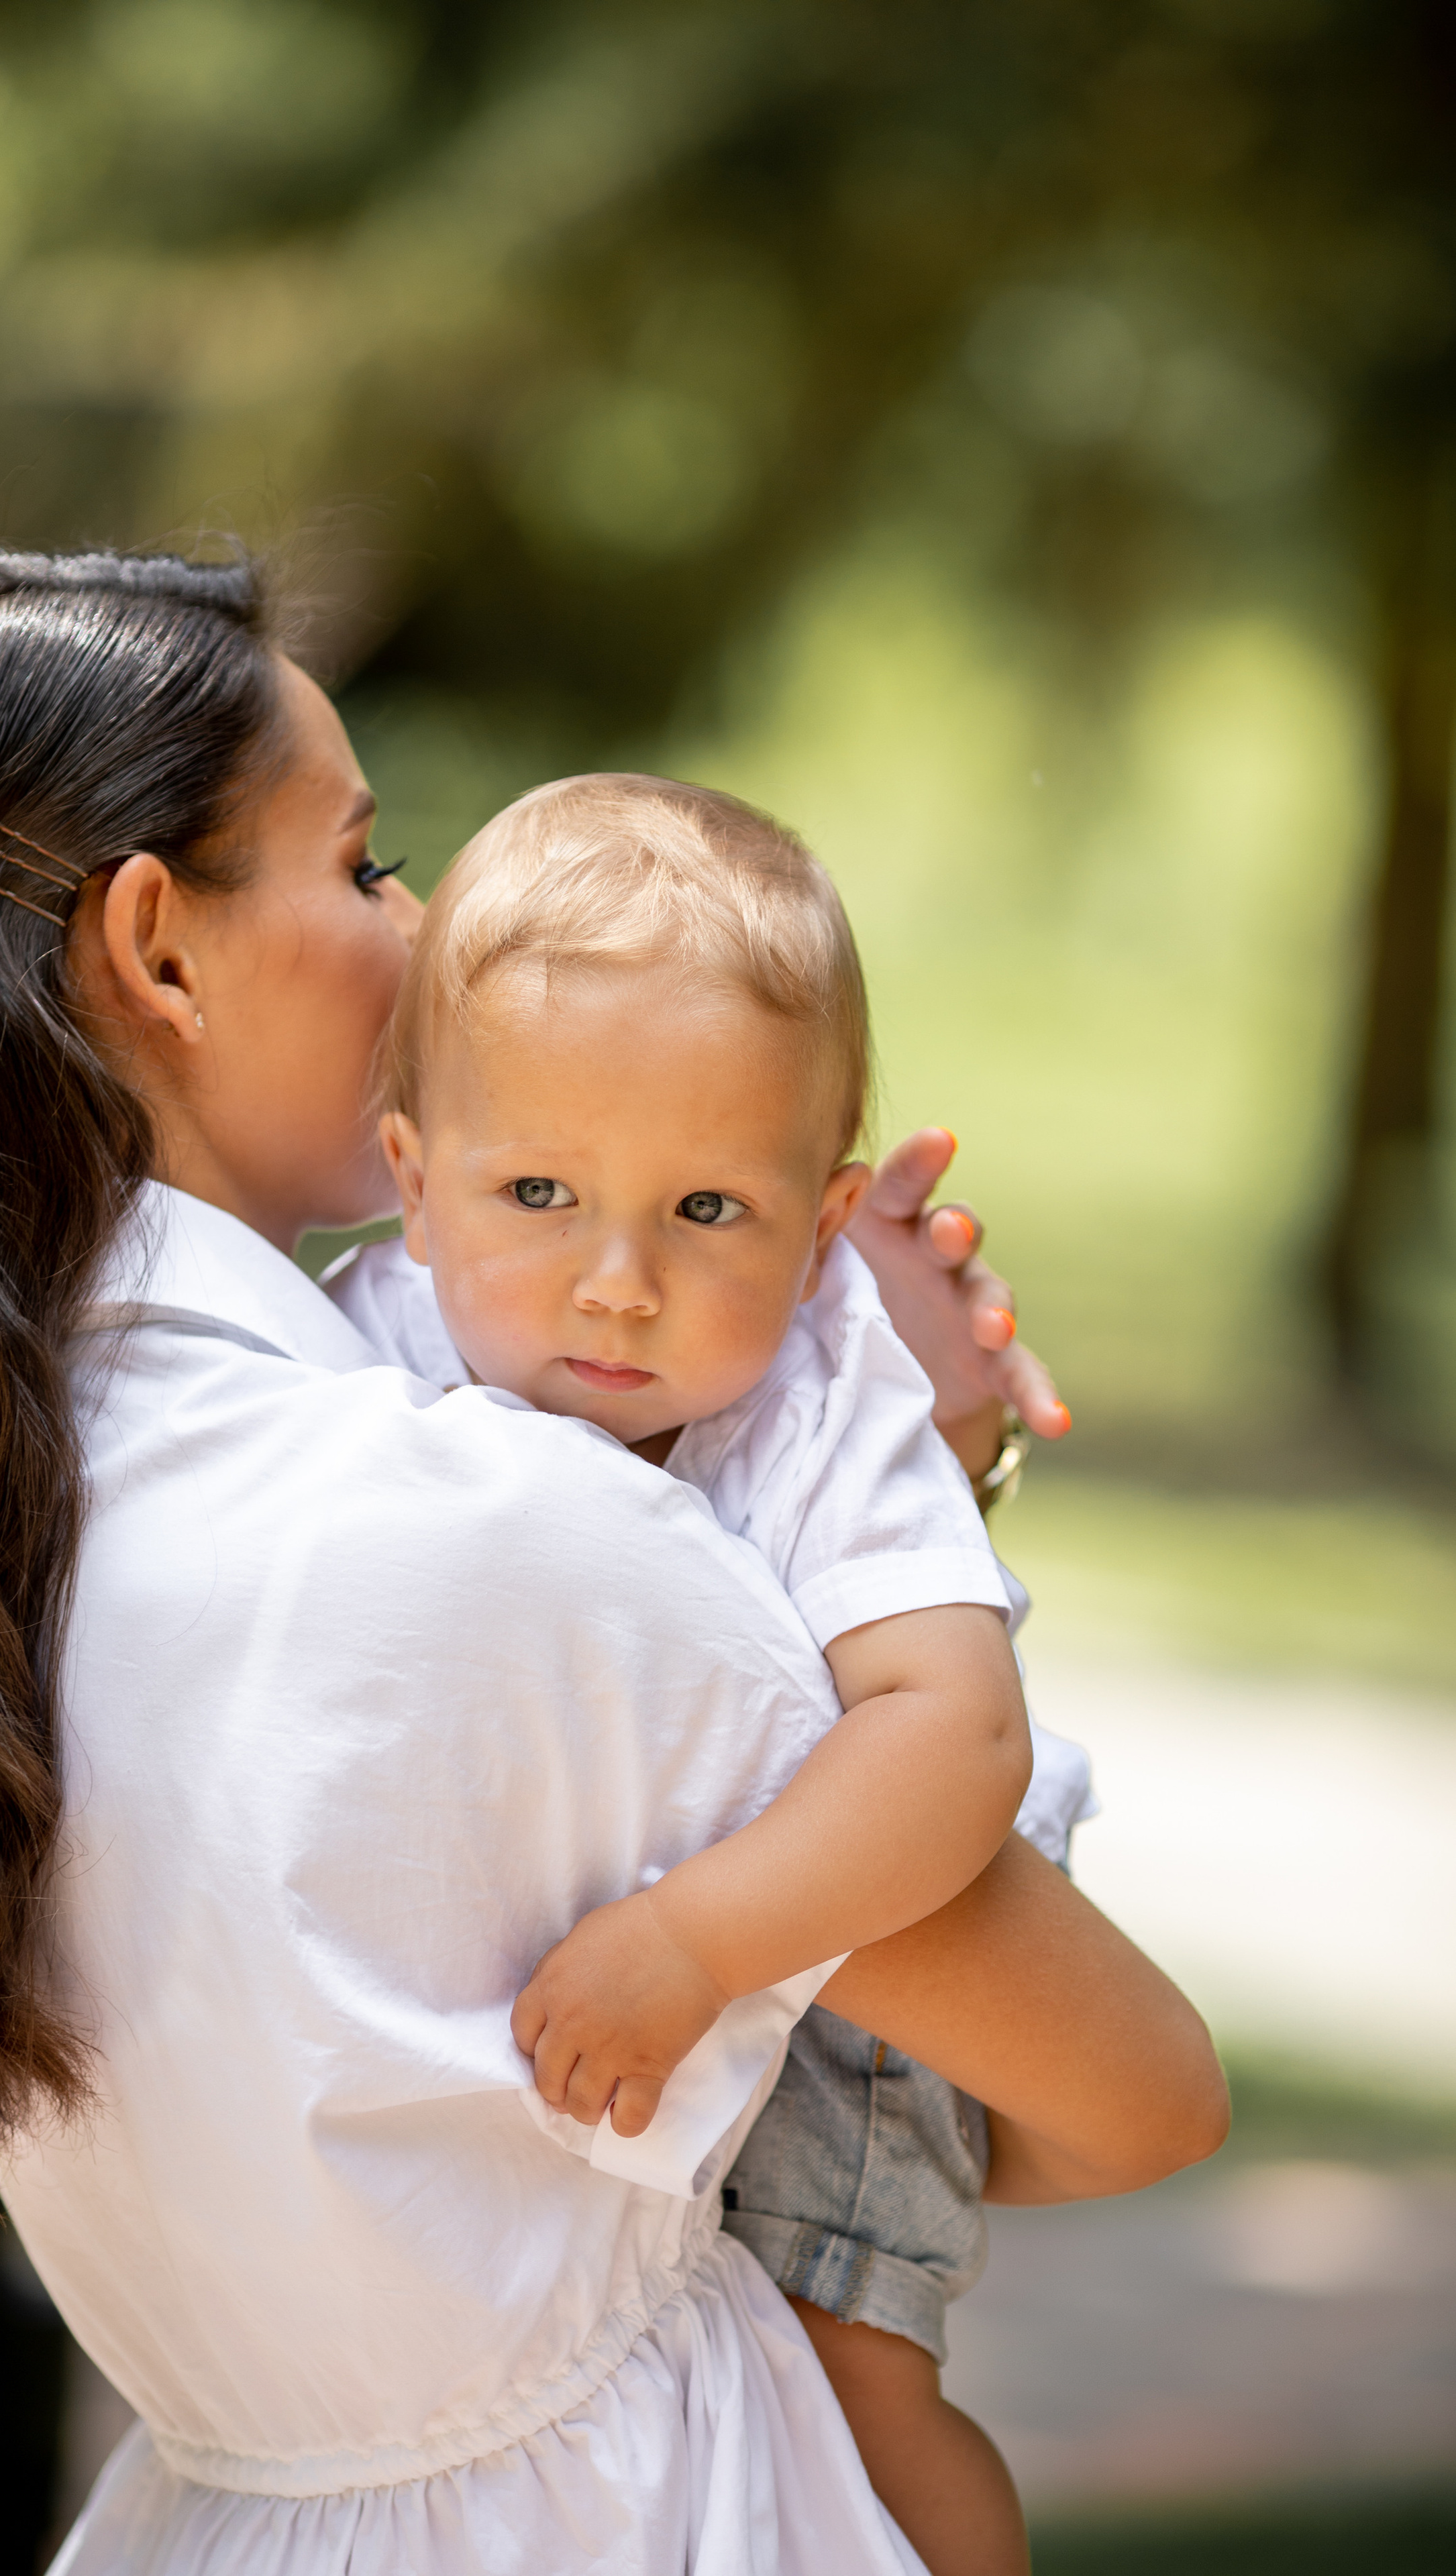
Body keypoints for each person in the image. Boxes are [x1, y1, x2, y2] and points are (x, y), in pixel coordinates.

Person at [0, 544, 1227, 2576]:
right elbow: (1134, 2098)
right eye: (362, 867)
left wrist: (803, 1411)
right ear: (160, 950)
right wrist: (844, 1470)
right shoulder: (511, 1539)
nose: (424, 923)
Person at [323, 770, 1092, 2573]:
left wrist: (702, 1944)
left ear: (826, 1228)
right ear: (413, 1185)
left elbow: (953, 1732)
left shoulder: (833, 1397)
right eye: (540, 1191)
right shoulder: (359, 1348)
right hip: (592, 1949)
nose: (616, 1284)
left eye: (709, 1214)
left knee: (849, 2386)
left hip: (855, 1945)